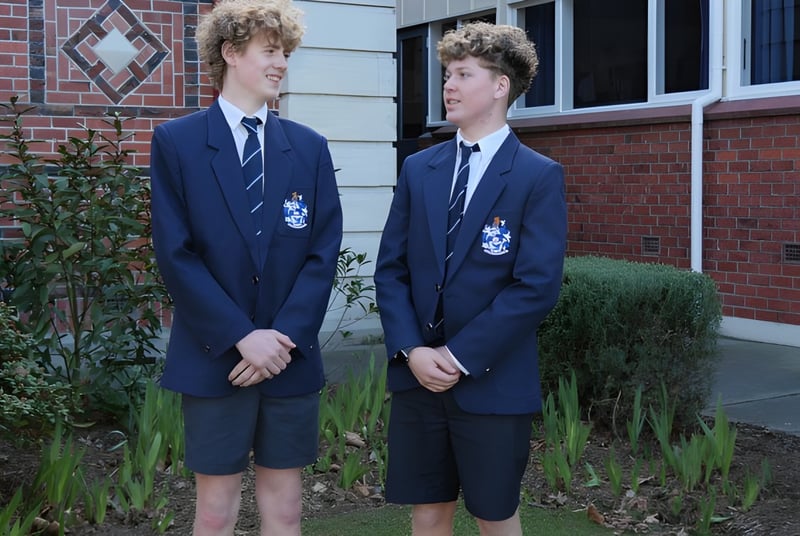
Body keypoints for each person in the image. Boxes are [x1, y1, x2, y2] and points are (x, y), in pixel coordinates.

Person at [149, 0, 343, 533]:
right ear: (231, 53)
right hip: (216, 357)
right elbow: (176, 254)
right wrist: (242, 336)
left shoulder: (308, 148)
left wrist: (280, 337)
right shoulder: (178, 144)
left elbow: (323, 252)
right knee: (215, 511)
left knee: (285, 508)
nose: (281, 63)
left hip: (288, 357)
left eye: (285, 53)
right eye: (270, 51)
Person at [374, 22, 567, 536]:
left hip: (492, 382)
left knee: (494, 515)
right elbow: (391, 270)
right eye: (446, 74)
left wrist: (458, 357)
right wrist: (413, 350)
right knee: (428, 512)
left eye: (463, 73)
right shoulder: (420, 169)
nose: (448, 85)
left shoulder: (536, 175)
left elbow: (536, 286)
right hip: (417, 377)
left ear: (500, 86)